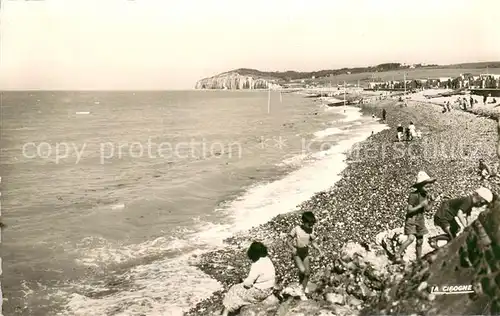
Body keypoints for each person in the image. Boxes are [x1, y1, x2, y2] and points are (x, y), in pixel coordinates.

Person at [221, 242, 276, 316]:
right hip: (269, 290)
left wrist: (244, 282)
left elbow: (248, 284)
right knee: (238, 289)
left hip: (259, 293)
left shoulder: (257, 264)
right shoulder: (267, 259)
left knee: (233, 289)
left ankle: (225, 314)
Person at [429, 188, 494, 249]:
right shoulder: (468, 200)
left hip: (448, 216)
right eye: (483, 203)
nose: (482, 205)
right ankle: (434, 240)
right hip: (443, 215)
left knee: (456, 229)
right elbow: (459, 213)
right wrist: (465, 226)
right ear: (480, 198)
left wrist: (469, 226)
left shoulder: (470, 203)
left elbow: (468, 215)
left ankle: (436, 240)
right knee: (452, 235)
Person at [394, 171, 435, 263]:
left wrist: (432, 202)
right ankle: (397, 255)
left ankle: (418, 259)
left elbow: (427, 209)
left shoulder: (426, 195)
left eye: (429, 185)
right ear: (420, 186)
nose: (428, 187)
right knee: (411, 238)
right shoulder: (413, 195)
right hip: (411, 219)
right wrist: (420, 205)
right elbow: (409, 210)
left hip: (420, 220)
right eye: (425, 185)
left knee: (420, 241)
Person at [288, 211, 323, 299]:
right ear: (304, 222)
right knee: (303, 271)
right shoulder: (296, 229)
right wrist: (292, 248)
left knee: (307, 273)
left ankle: (301, 290)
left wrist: (319, 250)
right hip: (297, 253)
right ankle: (301, 288)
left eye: (312, 224)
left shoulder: (311, 230)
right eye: (309, 224)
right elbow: (288, 241)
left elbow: (313, 242)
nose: (311, 226)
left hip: (305, 253)